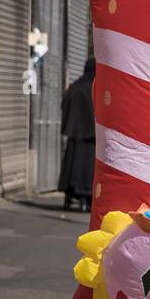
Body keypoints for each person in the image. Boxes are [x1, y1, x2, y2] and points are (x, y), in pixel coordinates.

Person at [59, 56, 97, 212]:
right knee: (89, 170)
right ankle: (87, 198)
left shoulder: (74, 87)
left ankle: (71, 196)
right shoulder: (97, 87)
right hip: (93, 138)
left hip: (75, 136)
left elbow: (65, 107)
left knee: (73, 167)